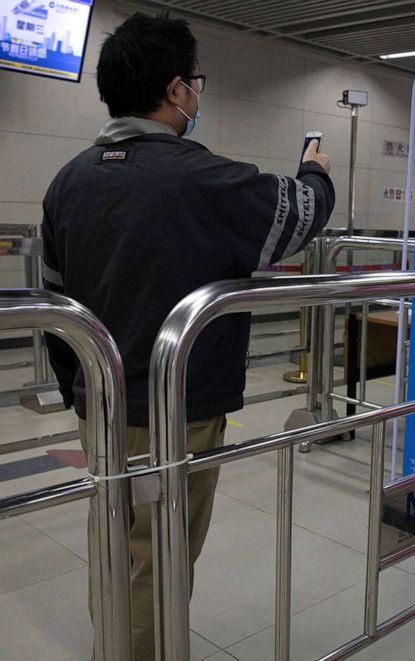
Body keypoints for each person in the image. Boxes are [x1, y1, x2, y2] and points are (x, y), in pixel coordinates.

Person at [40, 12, 334, 659]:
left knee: (114, 542)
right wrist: (314, 167)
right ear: (176, 90)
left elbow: (53, 303)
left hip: (103, 405)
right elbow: (303, 213)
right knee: (161, 554)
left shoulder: (70, 181)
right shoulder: (200, 179)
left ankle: (110, 646)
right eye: (195, 82)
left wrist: (78, 392)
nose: (196, 95)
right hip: (178, 411)